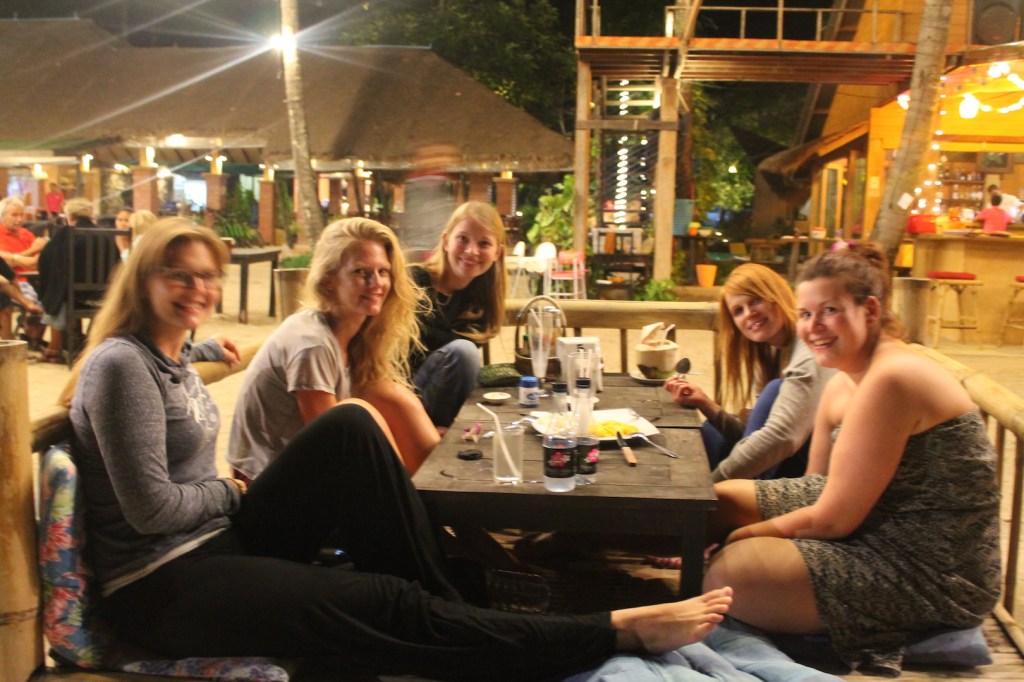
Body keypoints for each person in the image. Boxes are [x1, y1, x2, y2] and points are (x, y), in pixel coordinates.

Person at [63, 217, 733, 680]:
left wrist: (207, 348)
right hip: (160, 584)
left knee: (351, 427)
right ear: (142, 279)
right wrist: (227, 490)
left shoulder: (170, 358)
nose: (198, 290)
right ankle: (613, 629)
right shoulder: (121, 366)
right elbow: (151, 511)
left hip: (217, 541)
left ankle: (450, 604)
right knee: (385, 601)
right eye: (178, 276)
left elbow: (179, 383)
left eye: (207, 276)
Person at [702, 244, 1000, 675]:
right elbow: (815, 484)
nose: (813, 327)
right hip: (867, 524)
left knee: (728, 575)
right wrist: (740, 523)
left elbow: (831, 521)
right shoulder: (843, 380)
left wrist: (742, 538)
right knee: (719, 501)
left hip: (931, 569)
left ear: (870, 310)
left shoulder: (894, 377)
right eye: (806, 314)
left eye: (830, 311)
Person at [229, 218, 439, 483]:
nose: (376, 282)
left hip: (305, 470)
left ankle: (433, 494)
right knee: (360, 416)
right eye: (361, 272)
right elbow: (332, 448)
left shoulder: (353, 336)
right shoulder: (312, 345)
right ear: (329, 281)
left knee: (391, 395)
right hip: (267, 484)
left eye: (383, 271)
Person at [664, 263, 834, 482]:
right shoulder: (769, 354)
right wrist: (705, 403)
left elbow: (778, 439)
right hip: (784, 460)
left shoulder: (809, 353)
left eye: (755, 300)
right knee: (712, 432)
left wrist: (711, 487)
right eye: (738, 311)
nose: (749, 313)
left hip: (816, 479)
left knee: (774, 390)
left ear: (776, 294)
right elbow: (751, 438)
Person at [410, 201, 506, 432]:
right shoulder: (415, 282)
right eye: (463, 239)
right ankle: (433, 432)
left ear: (497, 253)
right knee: (464, 352)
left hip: (440, 400)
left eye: (484, 243)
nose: (472, 251)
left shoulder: (481, 300)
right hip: (404, 399)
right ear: (446, 241)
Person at [35, 198, 110, 363]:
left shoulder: (67, 234)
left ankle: (55, 348)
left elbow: (46, 261)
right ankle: (72, 345)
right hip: (104, 295)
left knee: (56, 291)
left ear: (69, 215)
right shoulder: (107, 235)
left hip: (75, 297)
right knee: (59, 290)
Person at [0, 196, 47, 342]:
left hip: (36, 279)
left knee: (54, 300)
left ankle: (33, 338)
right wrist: (31, 251)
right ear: (2, 215)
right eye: (14, 215)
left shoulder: (26, 234)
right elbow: (4, 265)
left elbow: (36, 263)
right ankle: (30, 335)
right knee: (36, 303)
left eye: (21, 215)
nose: (19, 219)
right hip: (15, 280)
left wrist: (15, 258)